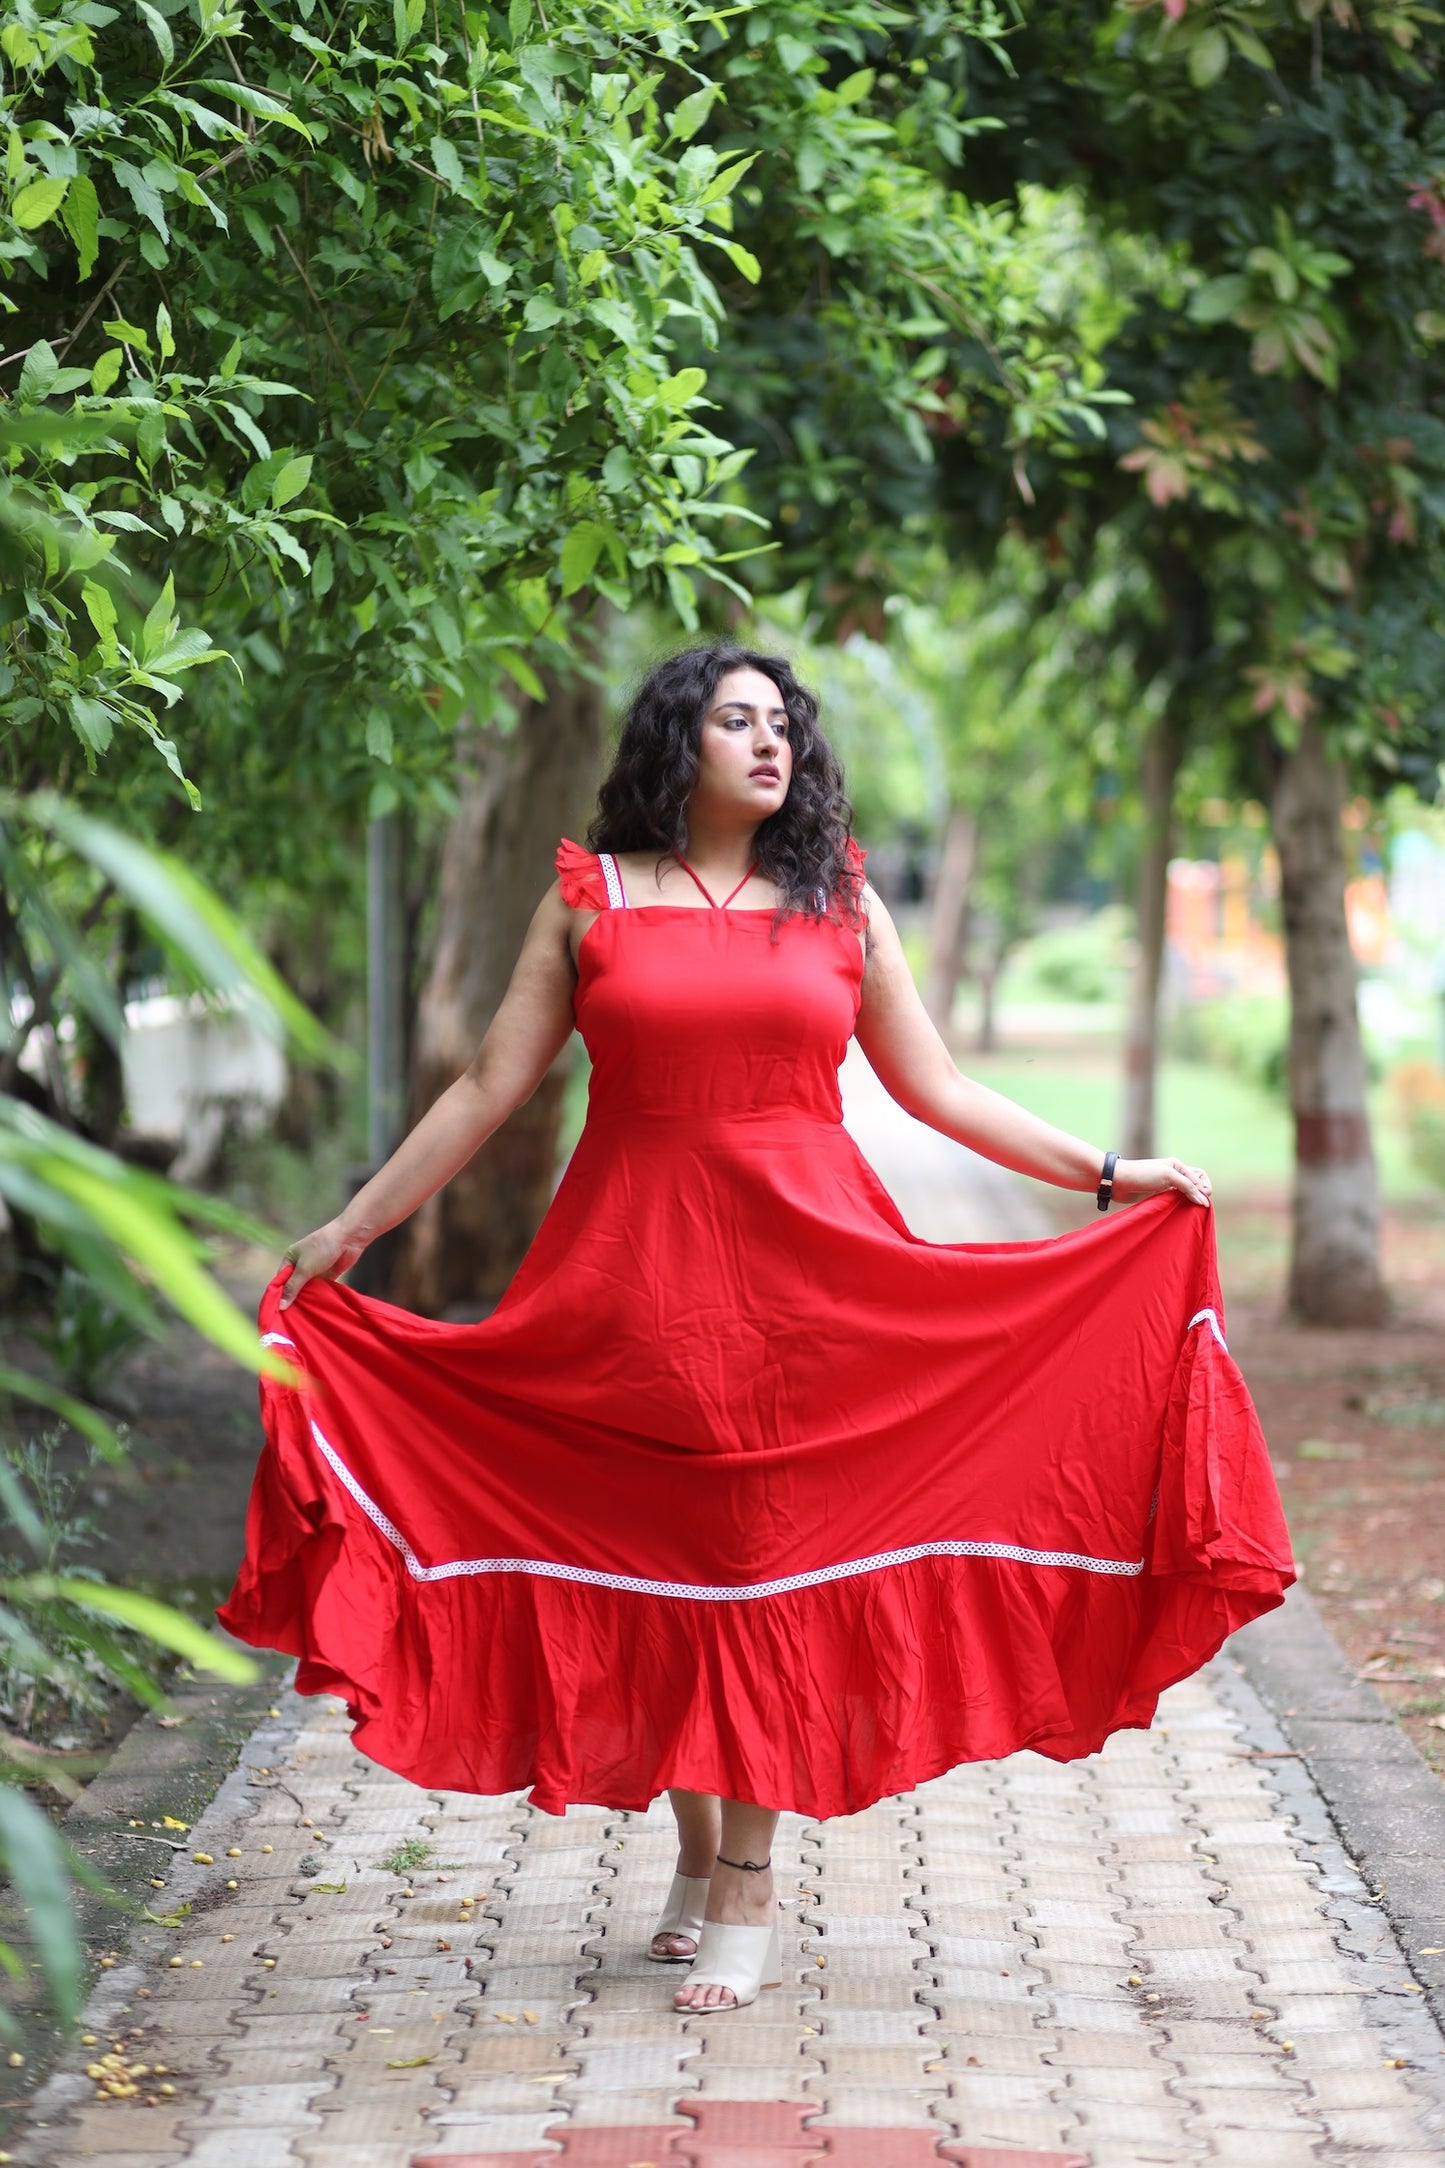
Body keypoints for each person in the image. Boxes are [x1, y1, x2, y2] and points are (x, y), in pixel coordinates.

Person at [220, 645, 1291, 2015]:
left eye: (781, 724)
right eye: (736, 721)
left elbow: (938, 1089)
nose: (767, 744)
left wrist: (1104, 1172)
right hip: (625, 1294)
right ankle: (691, 1861)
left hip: (808, 1295)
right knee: (660, 1567)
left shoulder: (837, 897)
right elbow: (489, 1087)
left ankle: (746, 1882)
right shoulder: (587, 897)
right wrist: (349, 1233)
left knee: (761, 1564)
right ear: (680, 743)